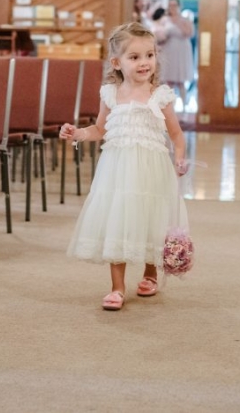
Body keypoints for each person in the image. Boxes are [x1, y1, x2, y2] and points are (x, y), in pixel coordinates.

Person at [60, 22, 189, 311]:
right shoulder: (110, 93)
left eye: (149, 55)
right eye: (135, 57)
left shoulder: (161, 95)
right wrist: (78, 133)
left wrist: (179, 157)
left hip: (152, 170)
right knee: (117, 219)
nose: (144, 63)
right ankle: (117, 287)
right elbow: (99, 129)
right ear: (117, 63)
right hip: (117, 170)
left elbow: (176, 135)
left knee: (150, 220)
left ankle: (150, 274)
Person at [154, 0, 195, 108]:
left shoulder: (184, 20)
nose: (172, 7)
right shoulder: (164, 20)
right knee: (168, 81)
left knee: (180, 81)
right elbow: (159, 35)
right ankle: (170, 108)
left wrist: (178, 21)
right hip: (168, 50)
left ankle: (185, 107)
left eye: (174, 5)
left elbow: (189, 33)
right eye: (170, 5)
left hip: (182, 51)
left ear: (178, 6)